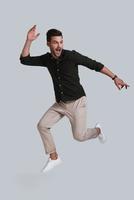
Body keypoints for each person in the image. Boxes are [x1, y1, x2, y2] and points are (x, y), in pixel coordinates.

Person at [20, 25, 129, 173]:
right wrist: (28, 40)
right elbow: (24, 60)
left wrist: (115, 78)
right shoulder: (47, 59)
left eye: (61, 42)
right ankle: (54, 157)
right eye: (55, 42)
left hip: (78, 102)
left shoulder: (71, 56)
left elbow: (95, 65)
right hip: (60, 103)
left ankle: (98, 131)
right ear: (48, 44)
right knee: (42, 125)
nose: (59, 46)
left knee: (79, 136)